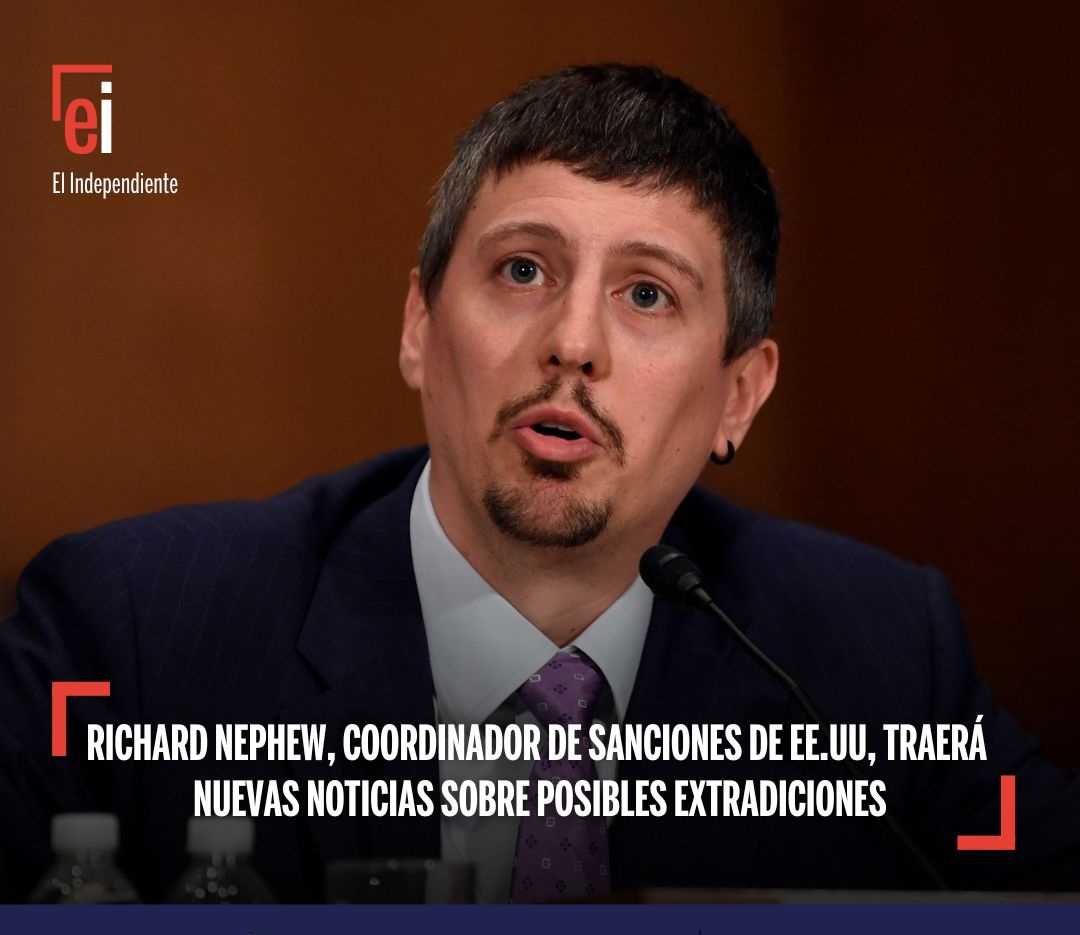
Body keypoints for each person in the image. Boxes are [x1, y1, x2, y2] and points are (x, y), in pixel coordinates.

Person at [1, 64, 1077, 904]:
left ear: (739, 395)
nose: (572, 343)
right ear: (419, 325)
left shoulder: (879, 662)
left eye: (647, 295)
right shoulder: (132, 636)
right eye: (523, 270)